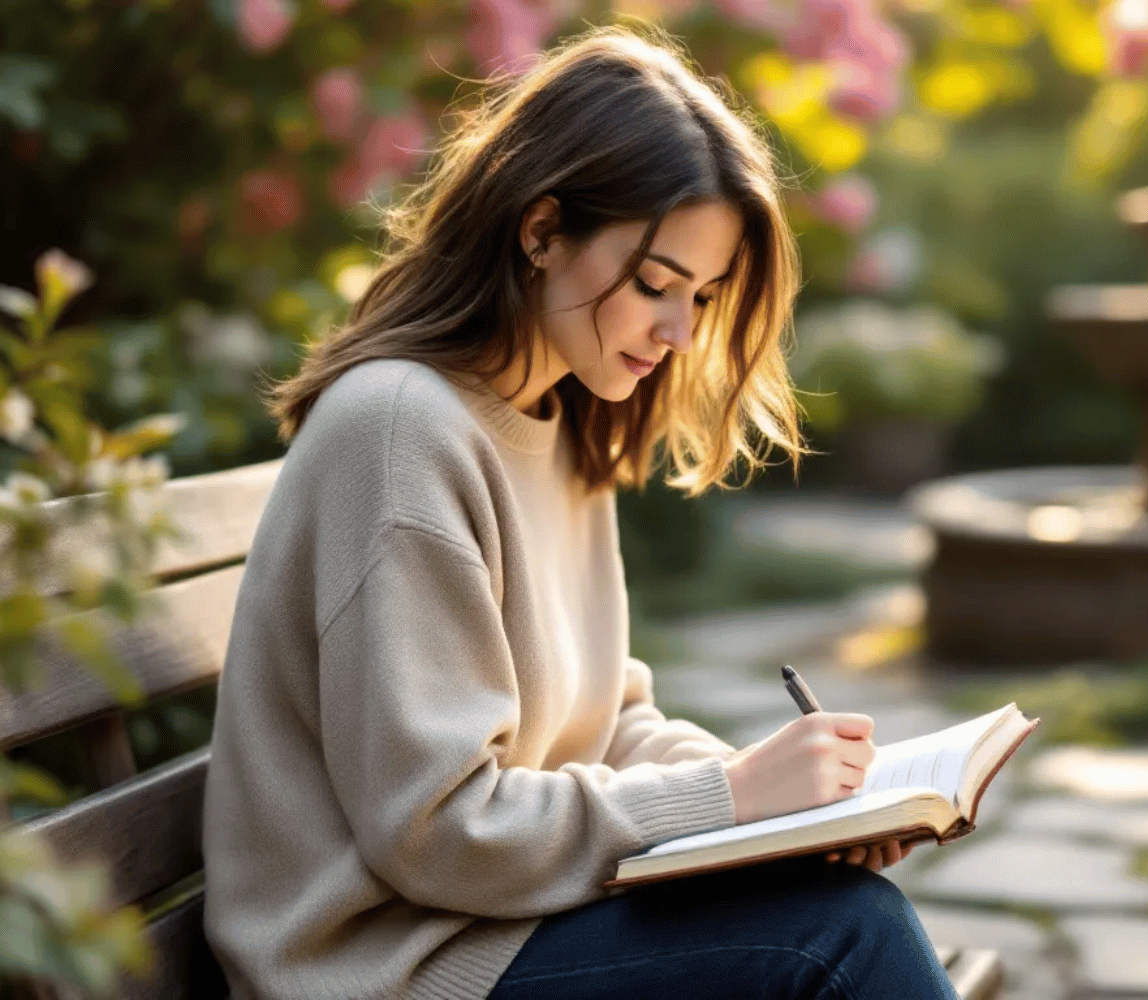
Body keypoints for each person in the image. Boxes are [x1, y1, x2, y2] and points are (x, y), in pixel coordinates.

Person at [202, 26, 959, 1000]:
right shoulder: (399, 433)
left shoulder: (554, 419)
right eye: (654, 285)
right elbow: (436, 830)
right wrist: (730, 797)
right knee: (839, 941)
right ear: (541, 229)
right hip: (390, 966)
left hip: (496, 926)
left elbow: (604, 722)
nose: (680, 332)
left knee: (834, 911)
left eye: (702, 295)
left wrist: (790, 806)